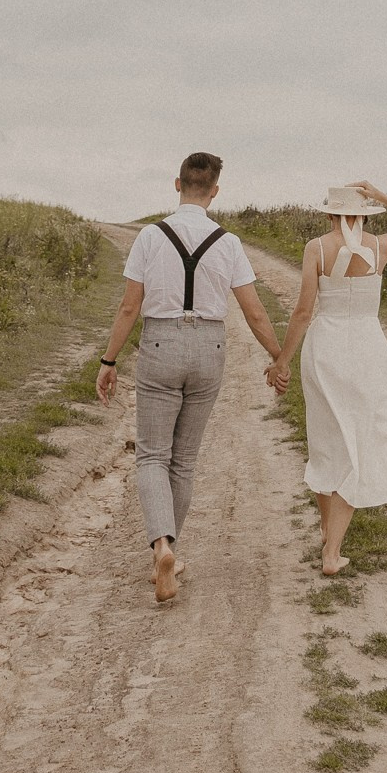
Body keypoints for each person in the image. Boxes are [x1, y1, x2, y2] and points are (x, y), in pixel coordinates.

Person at [95, 152, 284, 604]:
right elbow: (254, 312)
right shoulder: (229, 242)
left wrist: (109, 361)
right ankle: (172, 552)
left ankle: (161, 546)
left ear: (176, 184)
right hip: (210, 347)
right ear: (215, 190)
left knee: (152, 457)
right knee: (183, 460)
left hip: (160, 343)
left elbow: (128, 307)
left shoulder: (149, 236)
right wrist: (280, 357)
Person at [267, 181, 387, 575]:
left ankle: (330, 537)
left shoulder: (317, 248)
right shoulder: (380, 247)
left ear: (329, 214)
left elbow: (303, 312)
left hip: (324, 347)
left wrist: (282, 362)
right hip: (366, 347)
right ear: (363, 215)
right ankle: (331, 549)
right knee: (354, 441)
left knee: (325, 438)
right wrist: (382, 196)